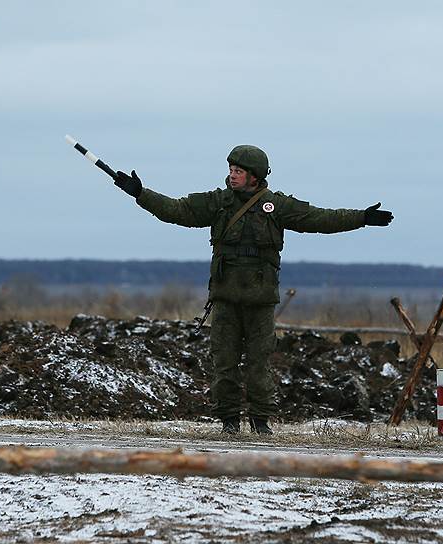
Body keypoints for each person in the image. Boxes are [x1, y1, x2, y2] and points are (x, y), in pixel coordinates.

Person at [112, 145, 393, 434]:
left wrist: (361, 218)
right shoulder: (218, 202)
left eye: (239, 171)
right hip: (226, 298)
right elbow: (177, 210)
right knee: (224, 362)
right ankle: (229, 422)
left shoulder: (277, 206)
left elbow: (320, 218)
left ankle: (261, 422)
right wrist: (140, 194)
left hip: (260, 300)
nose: (232, 176)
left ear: (255, 177)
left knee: (260, 363)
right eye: (231, 170)